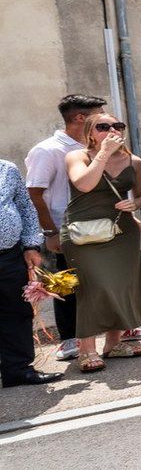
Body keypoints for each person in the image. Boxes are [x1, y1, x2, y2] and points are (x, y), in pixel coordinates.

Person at [62, 112, 141, 372]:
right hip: (83, 232)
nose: (111, 130)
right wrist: (103, 153)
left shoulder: (134, 161)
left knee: (119, 286)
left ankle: (113, 344)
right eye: (103, 127)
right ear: (91, 132)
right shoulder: (77, 156)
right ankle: (86, 350)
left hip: (121, 230)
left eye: (117, 126)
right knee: (94, 288)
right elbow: (85, 184)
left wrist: (134, 204)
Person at [25, 93, 107, 363]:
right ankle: (70, 339)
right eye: (100, 117)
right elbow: (34, 194)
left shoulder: (95, 146)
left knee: (100, 281)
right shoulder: (47, 150)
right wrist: (50, 232)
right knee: (68, 285)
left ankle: (109, 332)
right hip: (64, 229)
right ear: (81, 118)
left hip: (97, 225)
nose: (106, 123)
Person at [2, 158, 58, 387]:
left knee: (16, 311)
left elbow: (25, 208)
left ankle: (17, 370)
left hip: (8, 254)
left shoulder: (6, 169)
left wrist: (31, 245)